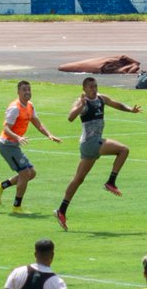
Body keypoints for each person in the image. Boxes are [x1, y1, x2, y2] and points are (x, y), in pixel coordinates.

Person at [53, 77, 141, 232]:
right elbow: (70, 117)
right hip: (91, 142)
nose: (94, 89)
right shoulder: (82, 101)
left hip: (89, 146)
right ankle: (111, 182)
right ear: (84, 88)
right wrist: (81, 105)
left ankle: (61, 210)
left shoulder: (101, 98)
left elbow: (117, 104)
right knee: (123, 150)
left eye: (95, 86)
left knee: (78, 179)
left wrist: (130, 110)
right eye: (91, 87)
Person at [0, 80, 61, 213]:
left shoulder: (30, 106)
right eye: (24, 90)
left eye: (29, 89)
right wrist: (17, 137)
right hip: (7, 145)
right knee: (25, 173)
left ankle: (0, 186)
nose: (27, 92)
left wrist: (49, 135)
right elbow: (6, 129)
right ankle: (17, 207)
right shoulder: (14, 108)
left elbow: (38, 124)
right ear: (18, 92)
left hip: (14, 145)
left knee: (31, 173)